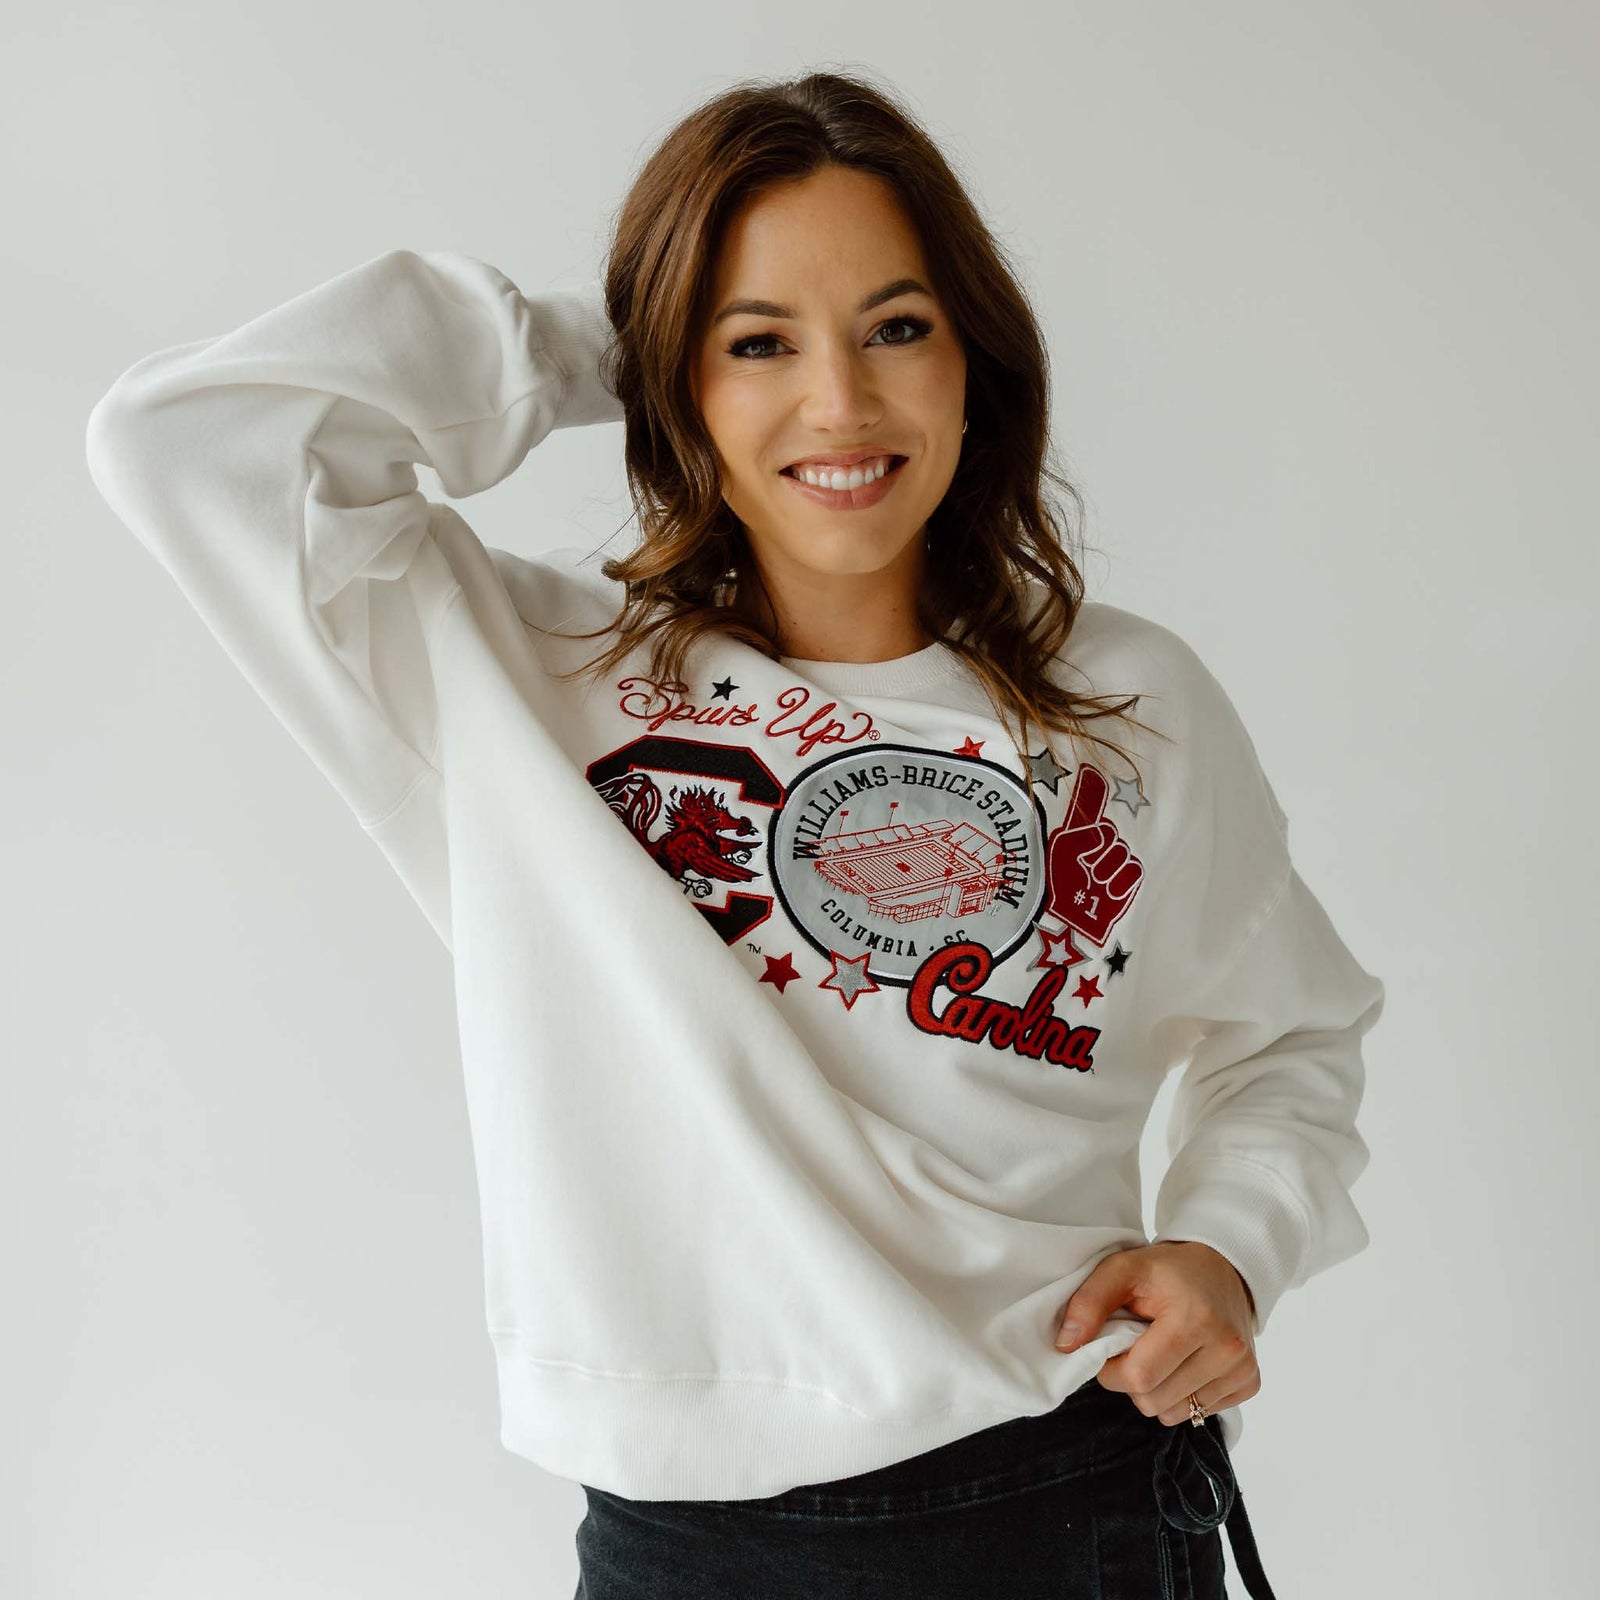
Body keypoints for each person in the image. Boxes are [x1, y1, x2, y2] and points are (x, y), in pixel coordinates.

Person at [85, 67, 1383, 1600]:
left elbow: (1289, 1036)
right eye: (757, 343)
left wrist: (1228, 1246)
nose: (841, 403)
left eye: (897, 326)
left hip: (1059, 1493)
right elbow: (182, 440)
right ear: (673, 380)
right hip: (681, 1549)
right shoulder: (517, 669)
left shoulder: (1129, 698)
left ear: (976, 355)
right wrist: (617, 330)